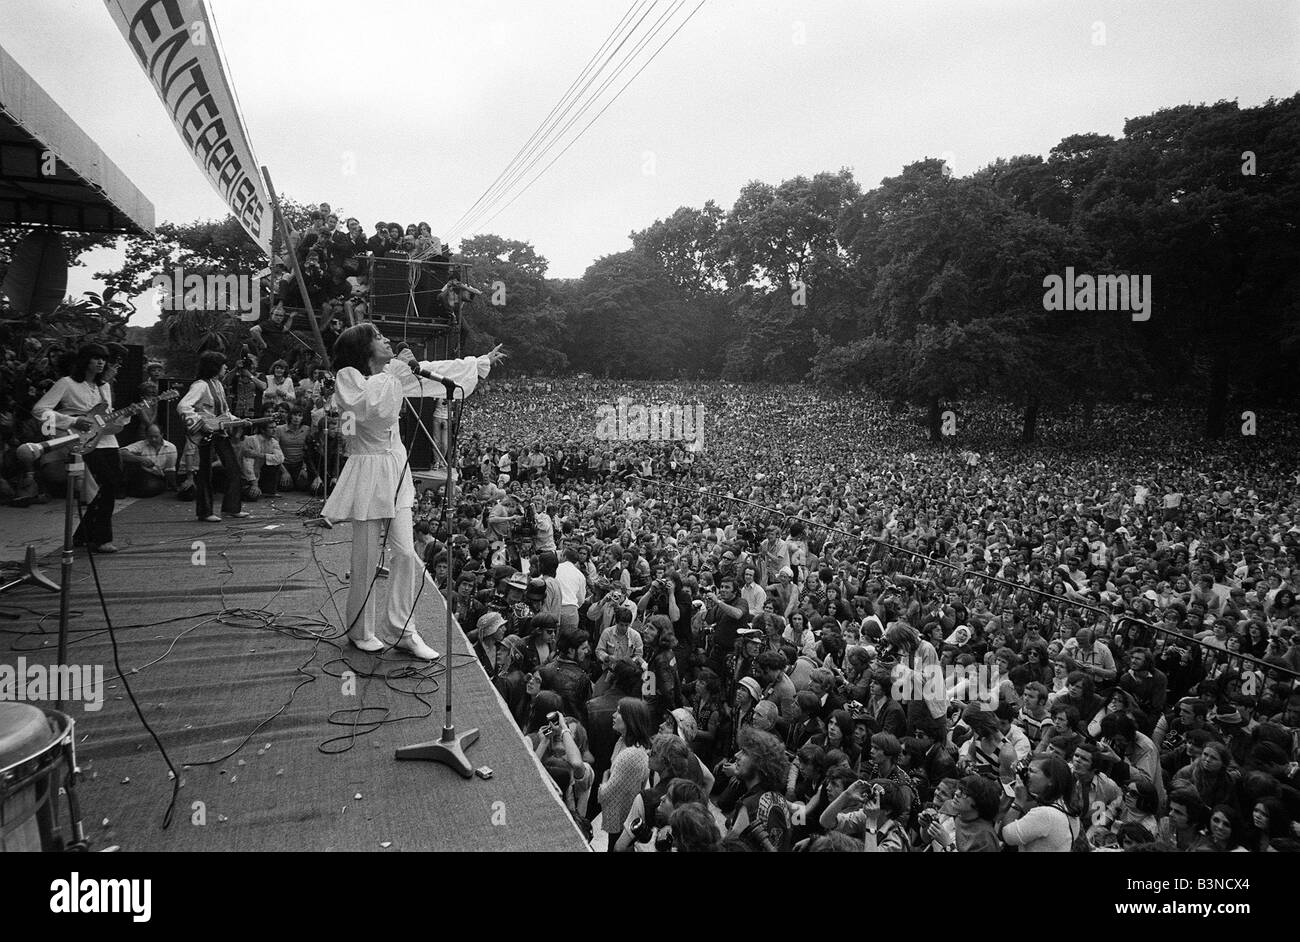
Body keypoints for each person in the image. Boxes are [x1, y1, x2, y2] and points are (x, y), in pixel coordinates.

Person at [323, 323, 504, 656]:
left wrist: (478, 362)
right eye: (378, 337)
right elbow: (370, 410)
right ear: (363, 348)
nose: (386, 340)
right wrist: (396, 372)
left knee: (406, 553)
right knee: (365, 557)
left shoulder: (393, 372)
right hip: (369, 469)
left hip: (395, 470)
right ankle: (359, 629)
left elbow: (433, 372)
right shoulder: (348, 377)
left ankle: (403, 630)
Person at [32, 342, 123, 551]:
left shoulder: (104, 386)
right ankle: (101, 539)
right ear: (85, 360)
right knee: (106, 484)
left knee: (113, 485)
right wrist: (72, 421)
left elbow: (105, 415)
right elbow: (40, 410)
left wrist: (120, 418)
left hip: (107, 439)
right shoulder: (67, 383)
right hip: (82, 439)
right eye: (96, 358)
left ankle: (83, 535)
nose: (101, 362)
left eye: (103, 359)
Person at [177, 350, 249, 523]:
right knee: (205, 473)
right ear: (215, 367)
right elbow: (183, 406)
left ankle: (231, 508)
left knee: (233, 468)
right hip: (206, 433)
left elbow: (224, 413)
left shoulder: (217, 384)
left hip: (220, 432)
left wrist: (239, 421)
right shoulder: (200, 385)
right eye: (223, 364)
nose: (226, 367)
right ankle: (205, 511)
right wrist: (202, 424)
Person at [600, 698, 655, 850]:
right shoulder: (622, 741)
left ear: (631, 719)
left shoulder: (632, 755)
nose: (613, 715)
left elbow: (606, 794)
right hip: (620, 820)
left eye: (618, 712)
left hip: (623, 823)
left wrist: (605, 778)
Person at [999, 755, 1080, 852]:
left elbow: (1005, 835)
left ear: (1051, 780)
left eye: (1032, 771)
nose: (1026, 775)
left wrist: (1018, 801)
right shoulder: (1067, 807)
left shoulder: (1046, 814)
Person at [119, 422, 177, 498]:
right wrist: (140, 459)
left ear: (162, 435)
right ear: (146, 436)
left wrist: (174, 486)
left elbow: (170, 469)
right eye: (150, 437)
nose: (153, 439)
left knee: (151, 487)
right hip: (140, 474)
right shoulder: (142, 444)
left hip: (158, 476)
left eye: (156, 436)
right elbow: (120, 452)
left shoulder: (171, 447)